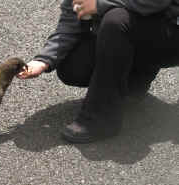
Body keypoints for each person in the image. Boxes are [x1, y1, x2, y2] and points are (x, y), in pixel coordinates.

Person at [17, 0, 179, 143]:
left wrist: (99, 4)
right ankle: (133, 83)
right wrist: (43, 60)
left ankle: (101, 120)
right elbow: (70, 20)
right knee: (73, 67)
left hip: (170, 31)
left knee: (116, 21)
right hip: (137, 29)